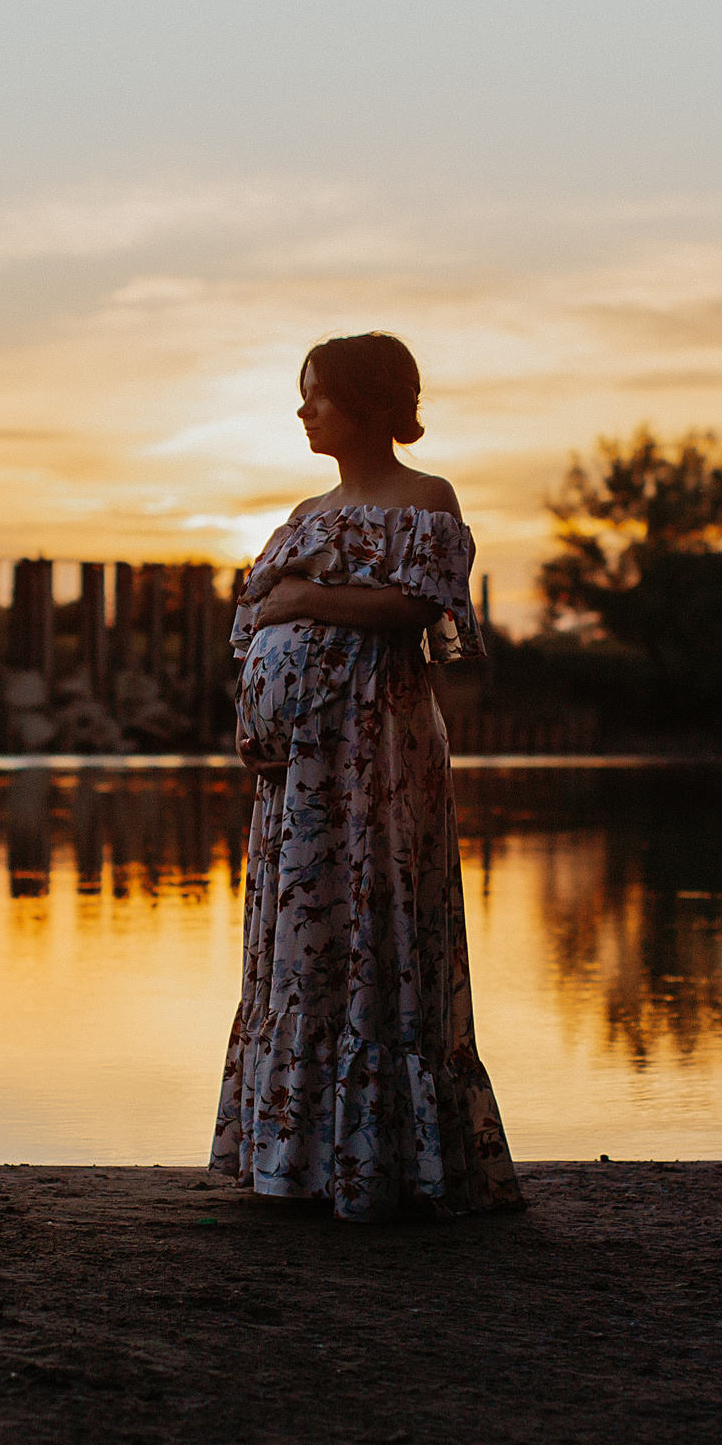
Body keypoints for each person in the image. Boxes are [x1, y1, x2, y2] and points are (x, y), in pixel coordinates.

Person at [211, 332, 523, 1221]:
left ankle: (385, 1160)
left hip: (377, 753)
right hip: (302, 769)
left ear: (370, 401)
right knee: (306, 941)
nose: (304, 410)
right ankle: (297, 1159)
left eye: (319, 394)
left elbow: (418, 606)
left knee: (373, 922)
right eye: (301, 394)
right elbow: (254, 619)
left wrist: (307, 600)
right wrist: (260, 710)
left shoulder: (426, 499)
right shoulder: (304, 512)